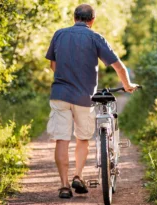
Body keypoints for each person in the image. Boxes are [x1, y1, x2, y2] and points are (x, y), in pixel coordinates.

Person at [45, 3, 138, 199]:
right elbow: (118, 66)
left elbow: (54, 65)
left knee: (62, 140)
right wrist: (127, 85)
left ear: (74, 18)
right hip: (84, 97)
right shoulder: (95, 37)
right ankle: (78, 175)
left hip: (60, 94)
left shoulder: (59, 34)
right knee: (82, 138)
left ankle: (63, 186)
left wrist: (66, 79)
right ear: (92, 20)